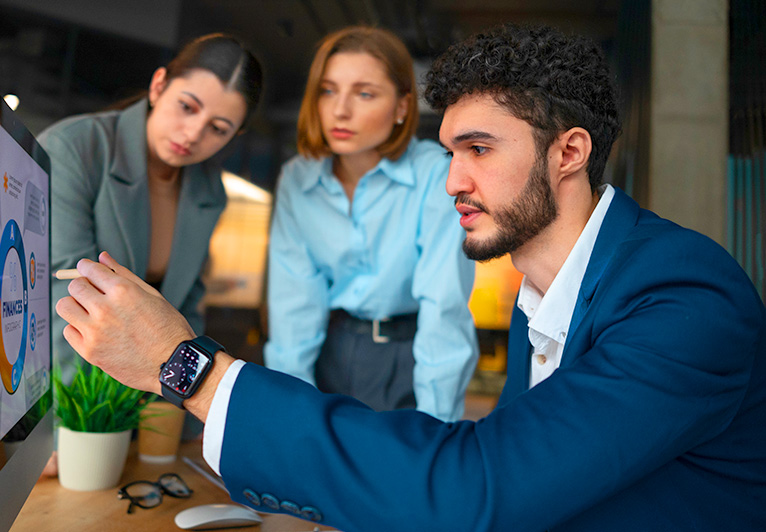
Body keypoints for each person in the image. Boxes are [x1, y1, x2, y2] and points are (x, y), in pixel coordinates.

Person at [56, 24, 766, 532]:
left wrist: (191, 371)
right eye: (450, 151)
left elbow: (477, 488)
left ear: (569, 153)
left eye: (480, 149)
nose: (453, 181)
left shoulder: (684, 300)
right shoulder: (545, 295)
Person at [263, 26, 477, 421]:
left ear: (401, 107)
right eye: (328, 90)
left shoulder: (436, 175)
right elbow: (294, 308)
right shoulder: (298, 178)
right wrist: (288, 417)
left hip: (410, 355)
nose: (340, 110)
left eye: (365, 93)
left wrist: (436, 427)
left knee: (402, 472)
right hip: (330, 348)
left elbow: (443, 309)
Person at [38, 33, 262, 383]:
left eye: (217, 129)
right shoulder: (75, 148)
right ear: (158, 86)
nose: (192, 134)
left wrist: (185, 406)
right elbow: (65, 300)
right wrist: (85, 424)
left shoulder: (209, 190)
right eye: (187, 107)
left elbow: (187, 310)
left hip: (151, 392)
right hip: (70, 387)